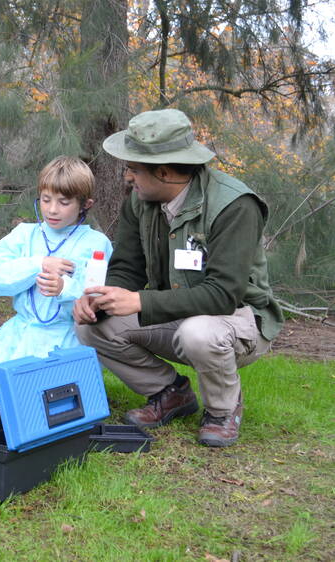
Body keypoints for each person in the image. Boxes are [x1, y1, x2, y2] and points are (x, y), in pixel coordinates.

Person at [74, 109, 283, 447]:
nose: (128, 177)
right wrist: (101, 298)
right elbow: (128, 267)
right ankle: (170, 393)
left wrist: (139, 301)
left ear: (166, 172)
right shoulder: (140, 201)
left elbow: (222, 295)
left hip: (239, 321)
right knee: (92, 325)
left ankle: (223, 409)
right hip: (177, 314)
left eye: (134, 168)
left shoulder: (234, 206)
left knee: (198, 333)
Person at [0, 156, 113, 417]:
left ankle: (20, 412)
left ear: (85, 205)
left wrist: (64, 288)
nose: (52, 210)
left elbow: (94, 295)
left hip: (65, 338)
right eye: (46, 199)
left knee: (45, 405)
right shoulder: (25, 234)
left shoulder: (96, 242)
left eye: (64, 202)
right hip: (20, 334)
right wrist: (39, 264)